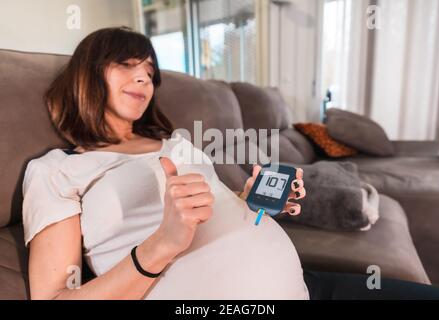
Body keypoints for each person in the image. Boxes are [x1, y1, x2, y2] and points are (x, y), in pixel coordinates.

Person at [22, 27, 308, 300]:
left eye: (149, 71)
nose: (145, 78)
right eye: (127, 64)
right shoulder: (57, 170)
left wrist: (246, 200)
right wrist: (163, 243)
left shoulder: (176, 142)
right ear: (87, 74)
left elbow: (207, 206)